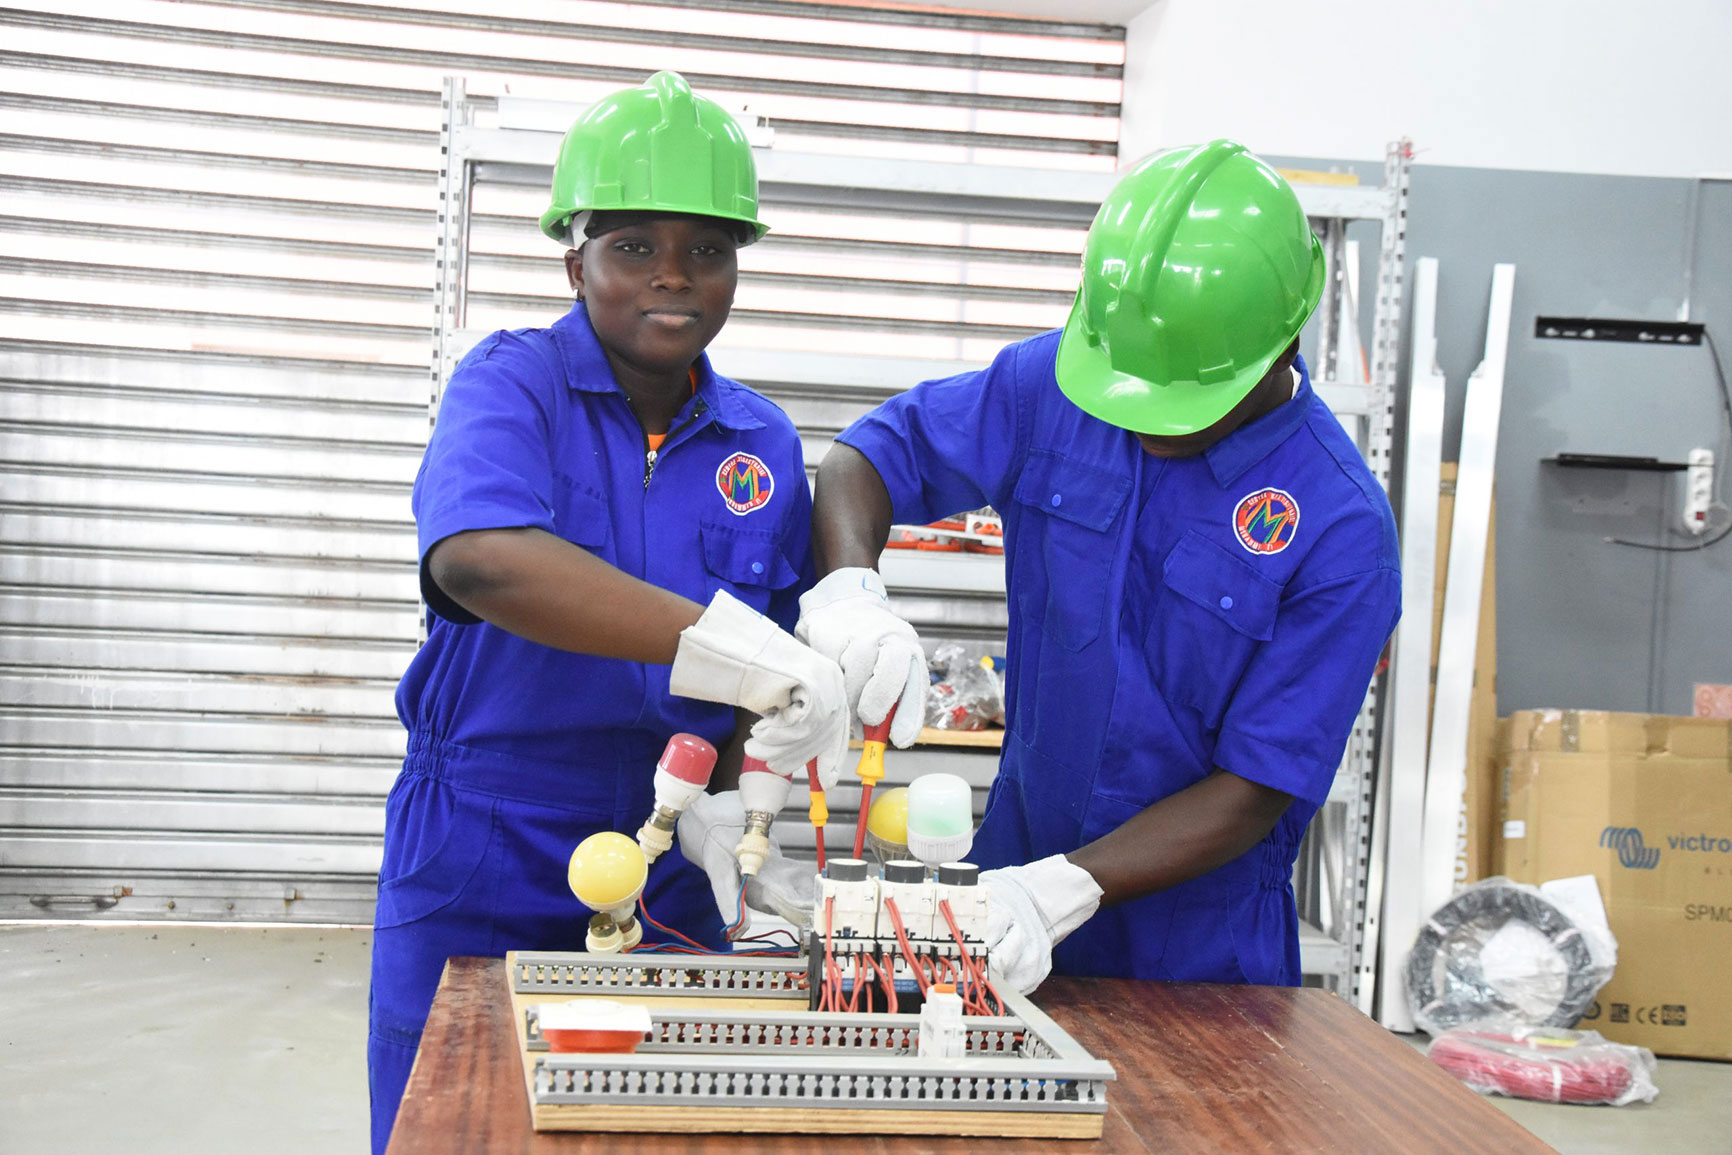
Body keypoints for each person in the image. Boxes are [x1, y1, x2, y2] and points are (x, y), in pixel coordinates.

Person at [368, 71, 849, 1154]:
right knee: (453, 1118)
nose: (673, 278)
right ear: (572, 256)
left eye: (709, 251)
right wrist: (728, 650)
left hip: (670, 839)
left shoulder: (762, 444)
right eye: (633, 246)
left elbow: (754, 692)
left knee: (670, 1126)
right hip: (487, 832)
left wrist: (744, 821)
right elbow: (482, 563)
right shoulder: (508, 385)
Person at [798, 140, 1401, 993]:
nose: (1141, 415)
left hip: (1199, 946)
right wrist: (850, 592)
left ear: (1283, 339)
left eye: (1179, 397)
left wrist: (1057, 895)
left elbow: (1260, 784)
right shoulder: (1057, 385)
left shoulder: (1341, 530)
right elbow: (869, 457)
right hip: (1004, 882)